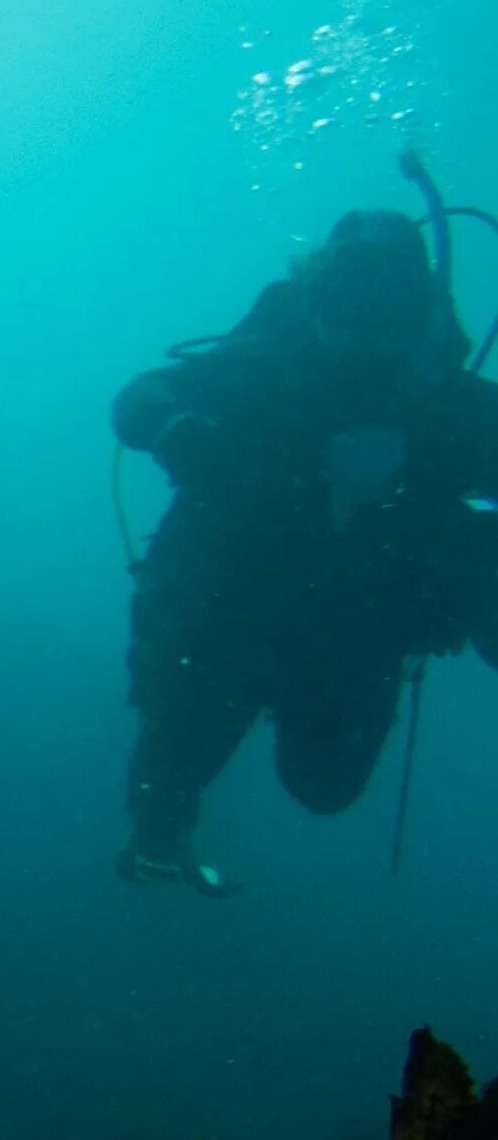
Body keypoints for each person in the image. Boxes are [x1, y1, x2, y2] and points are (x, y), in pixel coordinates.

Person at [114, 207, 498, 890]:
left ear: (423, 301)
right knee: (165, 787)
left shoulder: (459, 410)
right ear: (317, 290)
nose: (367, 313)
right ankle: (161, 835)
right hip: (224, 621)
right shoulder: (264, 364)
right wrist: (179, 431)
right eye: (352, 287)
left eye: (390, 292)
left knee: (324, 789)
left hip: (349, 641)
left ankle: (164, 824)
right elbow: (140, 397)